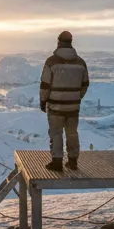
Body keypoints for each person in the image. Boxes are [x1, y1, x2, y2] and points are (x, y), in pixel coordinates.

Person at [38, 30, 89, 171]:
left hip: (55, 105)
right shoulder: (80, 63)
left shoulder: (51, 62)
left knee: (56, 133)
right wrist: (76, 97)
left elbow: (45, 85)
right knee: (72, 133)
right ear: (71, 43)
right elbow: (85, 84)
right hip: (73, 107)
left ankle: (57, 162)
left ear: (58, 42)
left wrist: (43, 101)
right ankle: (73, 161)